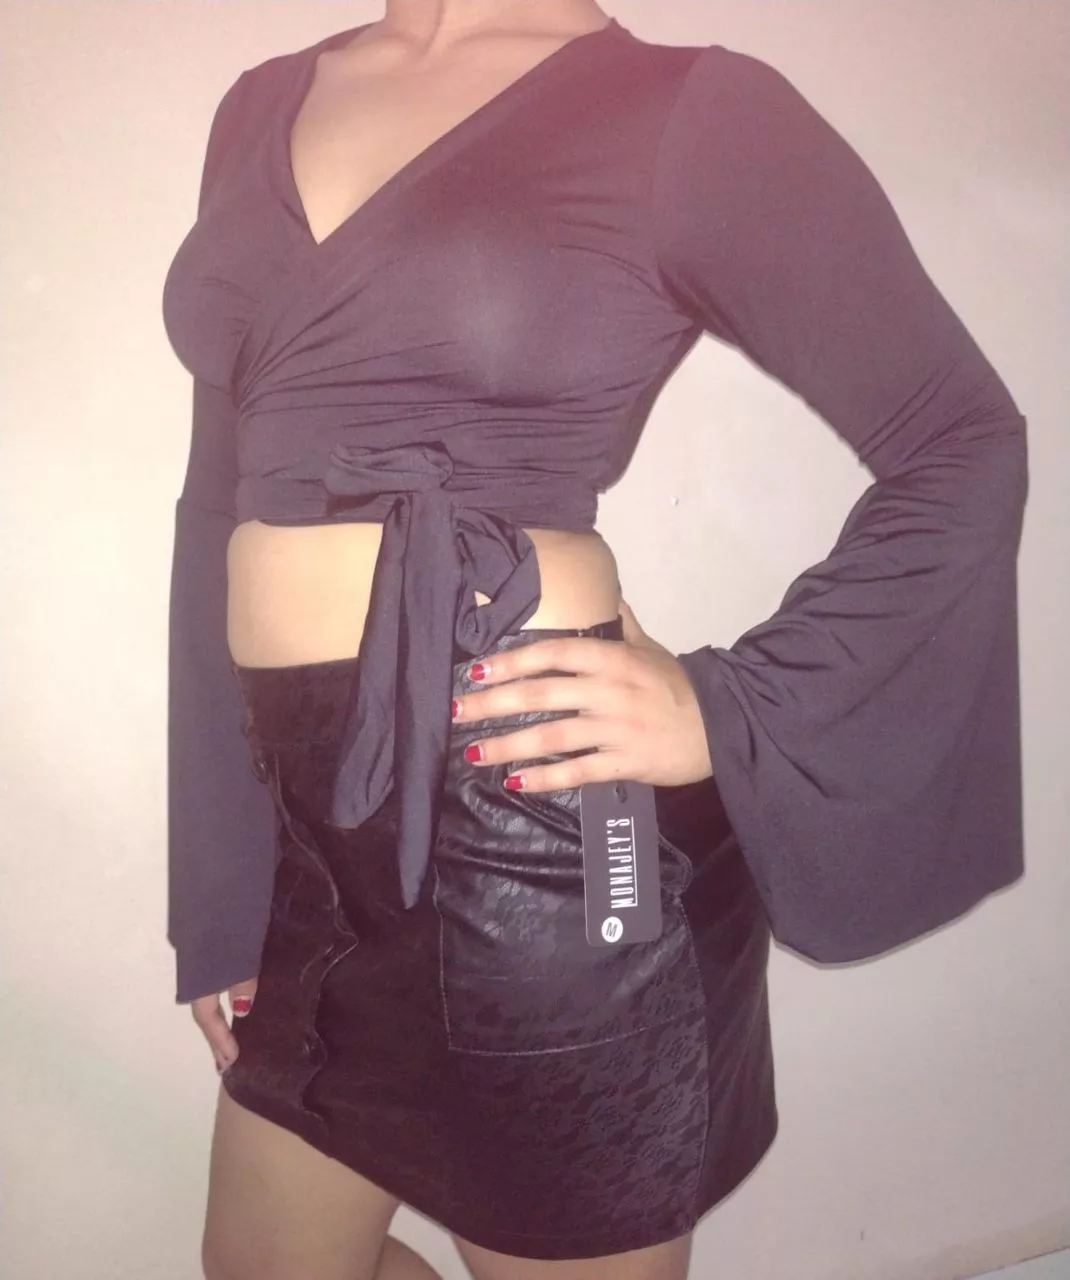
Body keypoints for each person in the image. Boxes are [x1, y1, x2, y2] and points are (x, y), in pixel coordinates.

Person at [161, 1, 1028, 1277]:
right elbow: (213, 503)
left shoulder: (683, 111)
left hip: (532, 842)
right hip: (312, 857)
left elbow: (960, 441)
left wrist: (724, 707)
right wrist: (220, 888)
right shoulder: (258, 105)